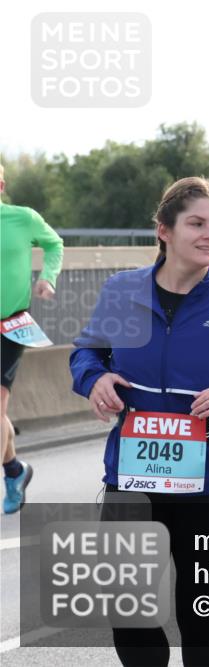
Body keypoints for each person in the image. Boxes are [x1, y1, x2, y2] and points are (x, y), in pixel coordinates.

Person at [69, 177, 209, 666]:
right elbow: (87, 352)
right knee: (129, 613)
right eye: (197, 223)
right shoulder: (123, 291)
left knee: (200, 619)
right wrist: (94, 380)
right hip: (132, 480)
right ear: (164, 231)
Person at [1, 161, 63, 514]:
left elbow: (54, 244)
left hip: (7, 326)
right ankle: (14, 470)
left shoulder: (21, 218)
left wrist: (48, 276)